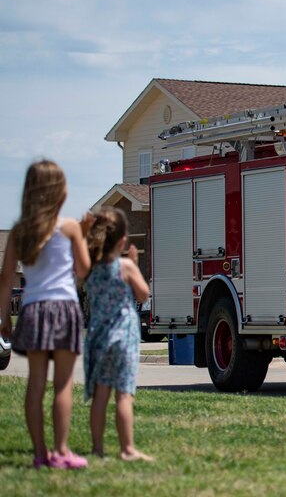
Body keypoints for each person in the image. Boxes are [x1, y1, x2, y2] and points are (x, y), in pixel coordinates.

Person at [0, 159, 93, 469]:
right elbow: (83, 270)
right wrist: (84, 234)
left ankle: (40, 454)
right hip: (63, 308)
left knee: (35, 384)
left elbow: (6, 278)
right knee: (62, 385)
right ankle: (61, 451)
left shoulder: (19, 231)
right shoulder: (69, 227)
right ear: (59, 191)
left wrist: (4, 318)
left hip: (32, 309)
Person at [83, 206, 153, 462]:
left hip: (99, 338)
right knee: (123, 393)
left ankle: (97, 449)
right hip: (123, 337)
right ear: (122, 241)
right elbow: (143, 295)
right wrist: (134, 265)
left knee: (101, 395)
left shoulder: (90, 269)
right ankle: (127, 449)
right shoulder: (125, 266)